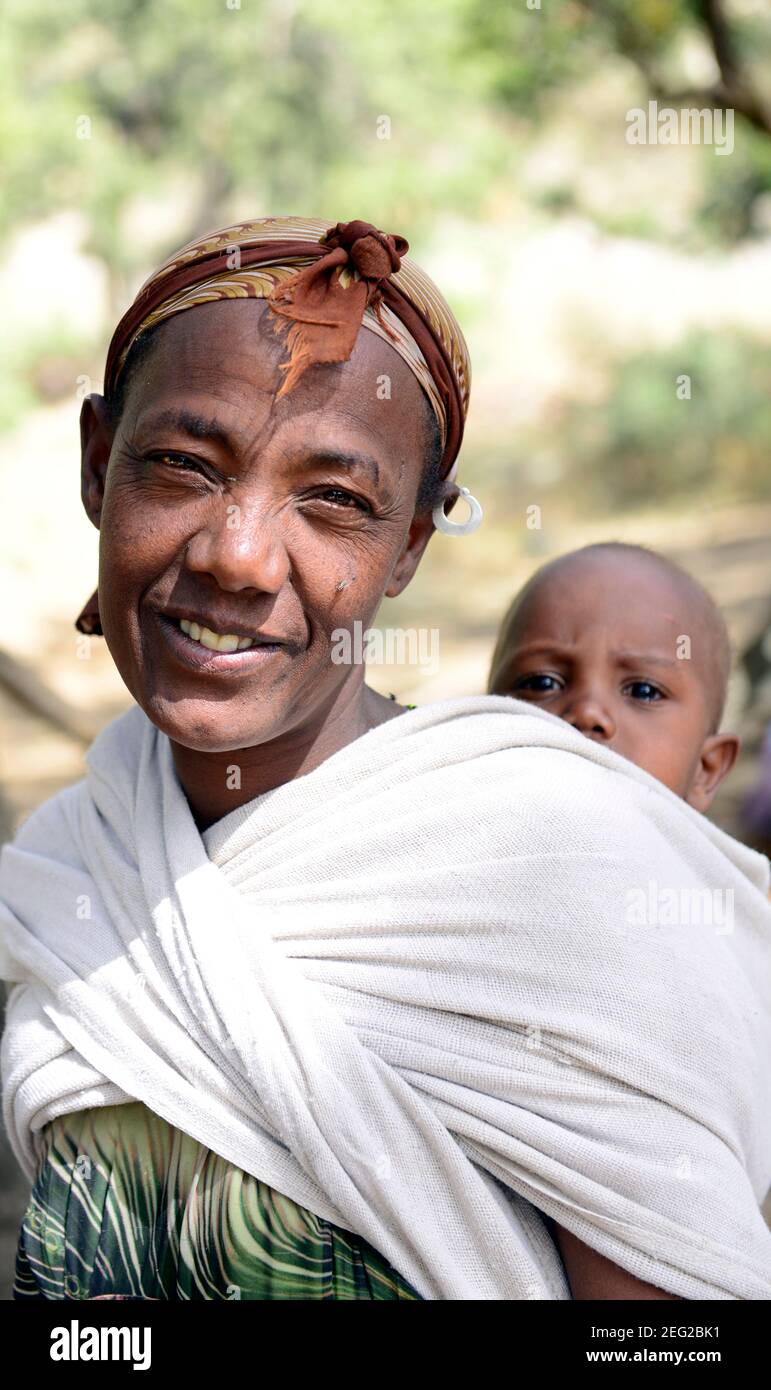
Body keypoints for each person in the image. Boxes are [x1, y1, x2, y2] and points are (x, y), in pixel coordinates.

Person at [1, 218, 771, 1301]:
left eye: (335, 501)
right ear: (96, 463)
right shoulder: (71, 866)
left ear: (411, 542)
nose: (238, 552)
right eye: (181, 466)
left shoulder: (558, 868)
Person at [487, 542, 739, 810]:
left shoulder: (707, 854)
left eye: (644, 691)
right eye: (542, 683)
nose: (587, 713)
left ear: (705, 770)